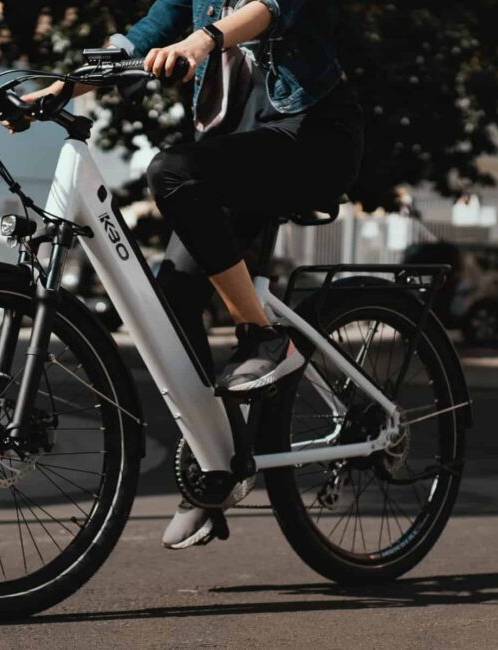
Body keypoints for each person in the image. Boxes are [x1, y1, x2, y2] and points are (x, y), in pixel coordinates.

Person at [19, 0, 365, 549]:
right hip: (233, 154)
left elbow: (270, 9)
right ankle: (218, 468)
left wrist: (202, 41)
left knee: (171, 171)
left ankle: (263, 336)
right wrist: (63, 87)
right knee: (171, 297)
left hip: (311, 137)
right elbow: (140, 38)